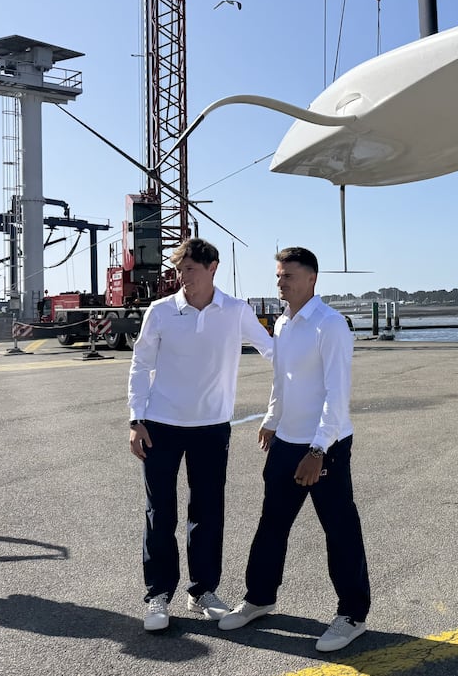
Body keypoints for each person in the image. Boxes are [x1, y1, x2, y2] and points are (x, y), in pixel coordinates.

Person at [218, 246, 371, 653]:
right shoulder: (284, 323)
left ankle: (352, 614)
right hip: (287, 441)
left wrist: (318, 450)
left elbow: (337, 395)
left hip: (325, 446)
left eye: (287, 276)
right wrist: (272, 419)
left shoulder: (330, 325)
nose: (280, 282)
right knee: (272, 524)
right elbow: (282, 379)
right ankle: (259, 598)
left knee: (339, 529)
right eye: (278, 276)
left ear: (311, 279)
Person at [127, 238, 274, 632]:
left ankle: (202, 591)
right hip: (160, 425)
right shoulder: (161, 311)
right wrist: (135, 420)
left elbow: (272, 351)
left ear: (212, 268)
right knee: (160, 513)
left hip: (211, 428)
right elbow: (140, 365)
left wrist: (314, 361)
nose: (183, 277)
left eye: (190, 269)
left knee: (207, 512)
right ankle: (158, 594)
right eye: (179, 270)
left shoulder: (236, 311)